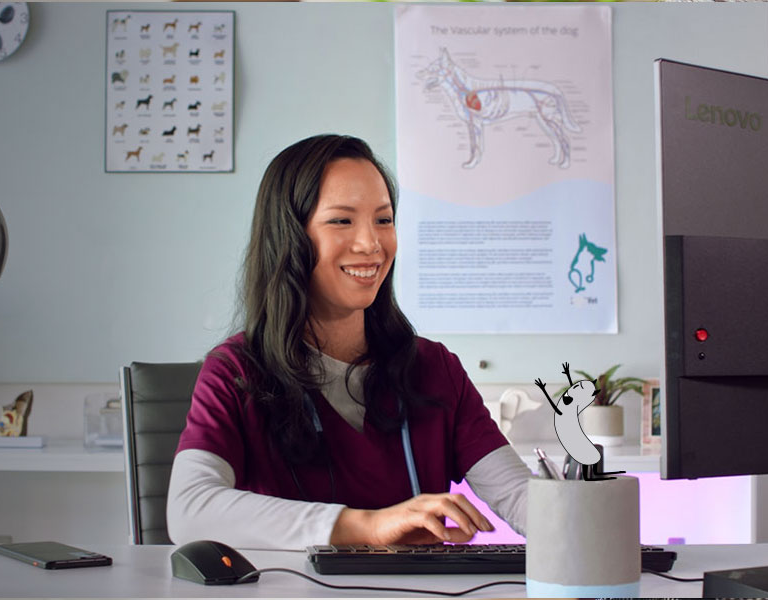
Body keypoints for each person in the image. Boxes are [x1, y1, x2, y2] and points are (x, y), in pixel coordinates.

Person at [166, 134, 529, 550]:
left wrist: (590, 521)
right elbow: (189, 510)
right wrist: (368, 527)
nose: (371, 244)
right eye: (342, 220)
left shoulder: (434, 367)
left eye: (384, 219)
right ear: (290, 237)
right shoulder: (236, 370)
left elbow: (519, 496)